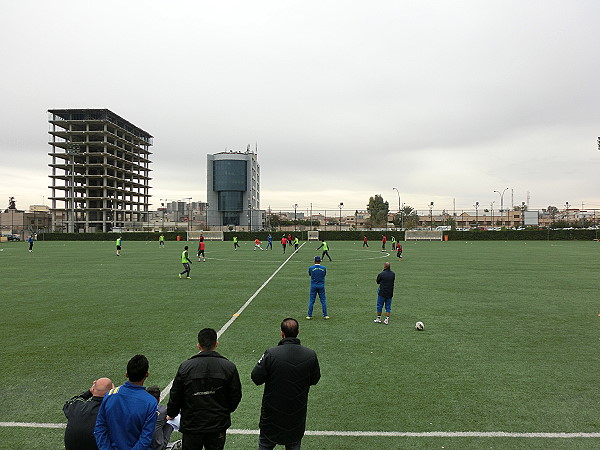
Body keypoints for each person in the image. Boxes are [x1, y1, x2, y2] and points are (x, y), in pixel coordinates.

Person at [167, 328, 242, 450]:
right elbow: (235, 396)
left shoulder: (186, 367)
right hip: (217, 424)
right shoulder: (228, 367)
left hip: (192, 425)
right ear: (216, 344)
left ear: (198, 346)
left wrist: (171, 413)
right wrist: (224, 411)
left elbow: (176, 395)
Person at [251, 318, 321, 450]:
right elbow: (315, 379)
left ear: (282, 333)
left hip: (271, 415)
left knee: (265, 444)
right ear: (298, 332)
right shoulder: (310, 355)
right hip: (296, 413)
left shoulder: (271, 354)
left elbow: (256, 377)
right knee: (293, 442)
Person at [94, 355, 158, 450]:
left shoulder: (110, 395)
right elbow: (145, 438)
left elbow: (100, 429)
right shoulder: (150, 402)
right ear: (147, 375)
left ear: (126, 374)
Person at [64, 377, 114, 450]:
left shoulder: (76, 407)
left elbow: (70, 402)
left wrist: (89, 392)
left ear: (93, 389)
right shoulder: (112, 411)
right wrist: (114, 394)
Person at [146, 386, 174, 450]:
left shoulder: (139, 409)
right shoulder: (163, 411)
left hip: (138, 444)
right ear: (158, 399)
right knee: (171, 418)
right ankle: (162, 445)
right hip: (156, 447)